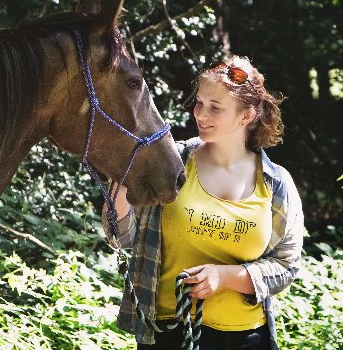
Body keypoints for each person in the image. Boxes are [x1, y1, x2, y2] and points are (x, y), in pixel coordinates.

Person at [103, 56, 304, 350]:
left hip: (248, 338)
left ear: (246, 116)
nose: (200, 114)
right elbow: (121, 237)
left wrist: (226, 277)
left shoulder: (277, 184)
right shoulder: (171, 164)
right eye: (199, 102)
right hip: (169, 334)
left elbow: (286, 265)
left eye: (215, 107)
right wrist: (120, 183)